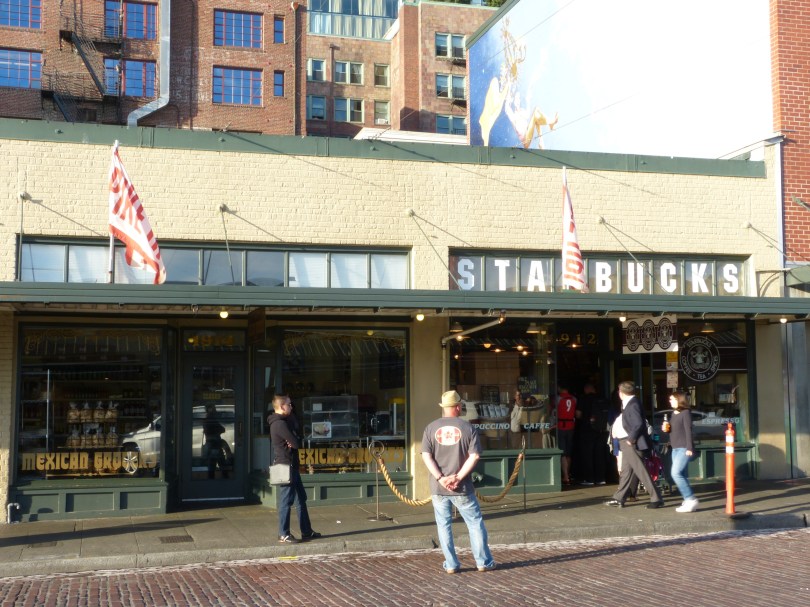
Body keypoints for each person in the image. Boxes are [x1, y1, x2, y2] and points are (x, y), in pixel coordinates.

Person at [421, 390, 496, 574]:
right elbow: (474, 456)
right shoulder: (468, 428)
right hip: (462, 487)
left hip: (439, 487)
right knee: (474, 523)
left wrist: (441, 478)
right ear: (457, 407)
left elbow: (426, 456)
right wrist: (458, 477)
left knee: (443, 524)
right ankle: (482, 562)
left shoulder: (430, 428)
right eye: (460, 405)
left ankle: (452, 564)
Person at [267, 394, 321, 544]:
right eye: (289, 405)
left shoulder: (286, 421)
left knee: (301, 499)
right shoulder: (279, 424)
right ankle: (283, 533)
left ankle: (306, 531)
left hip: (292, 465)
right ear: (282, 406)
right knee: (286, 500)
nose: (291, 407)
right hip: (285, 465)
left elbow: (297, 437)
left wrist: (295, 438)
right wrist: (294, 439)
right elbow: (295, 443)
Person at [605, 381, 663, 509]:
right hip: (626, 442)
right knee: (626, 471)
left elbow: (638, 424)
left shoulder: (633, 404)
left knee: (640, 470)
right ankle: (619, 498)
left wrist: (631, 439)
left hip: (631, 443)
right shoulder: (629, 403)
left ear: (621, 392)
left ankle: (656, 497)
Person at [665, 390, 699, 513]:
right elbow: (675, 430)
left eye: (672, 399)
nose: (670, 401)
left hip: (684, 447)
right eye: (670, 399)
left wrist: (689, 448)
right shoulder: (674, 413)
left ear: (679, 400)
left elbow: (688, 431)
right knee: (682, 474)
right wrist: (667, 429)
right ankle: (687, 500)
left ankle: (691, 499)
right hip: (675, 447)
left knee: (675, 473)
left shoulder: (685, 413)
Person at [556, 385, 577, 485]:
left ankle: (565, 476)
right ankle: (567, 474)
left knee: (563, 453)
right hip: (571, 426)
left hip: (561, 426)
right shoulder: (574, 399)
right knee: (568, 452)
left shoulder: (558, 398)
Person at [202, 404, 228, 479]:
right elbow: (222, 429)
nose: (215, 411)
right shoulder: (212, 419)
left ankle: (211, 478)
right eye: (213, 409)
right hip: (215, 443)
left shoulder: (206, 420)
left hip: (210, 444)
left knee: (212, 464)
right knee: (221, 462)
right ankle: (225, 477)